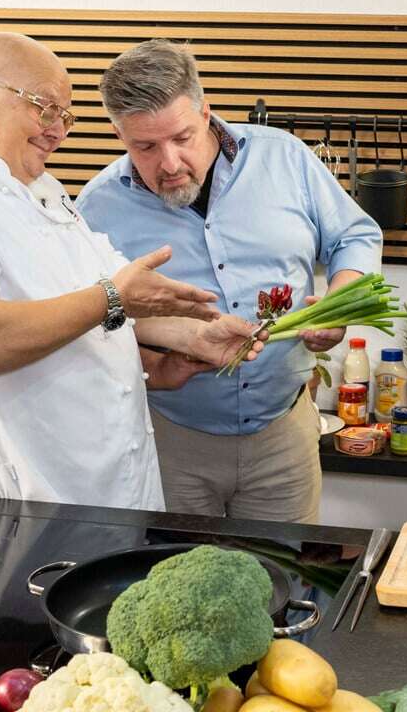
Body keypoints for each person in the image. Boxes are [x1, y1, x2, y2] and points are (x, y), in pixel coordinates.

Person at [0, 32, 264, 510]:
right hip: (5, 514)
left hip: (101, 499)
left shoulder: (39, 187)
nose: (57, 130)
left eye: (66, 116)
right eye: (43, 107)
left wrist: (191, 336)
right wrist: (113, 298)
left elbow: (112, 297)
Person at [76, 39, 383, 524]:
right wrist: (153, 360)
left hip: (283, 436)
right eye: (146, 147)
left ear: (206, 112)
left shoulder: (285, 159)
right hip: (169, 440)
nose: (170, 163)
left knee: (281, 585)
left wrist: (340, 302)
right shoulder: (96, 208)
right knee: (176, 592)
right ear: (119, 134)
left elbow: (355, 234)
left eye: (182, 137)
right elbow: (89, 324)